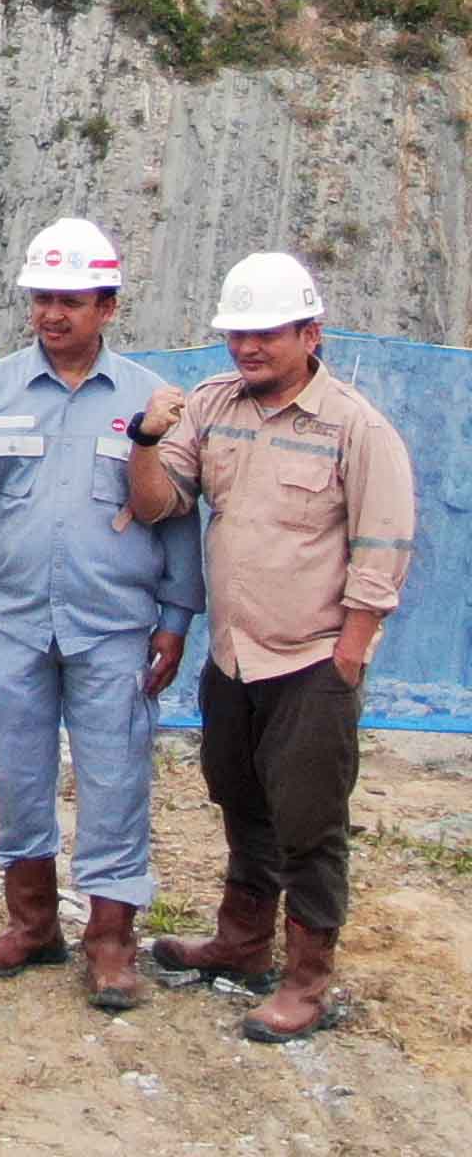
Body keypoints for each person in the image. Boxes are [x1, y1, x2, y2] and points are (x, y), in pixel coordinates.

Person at [128, 250, 421, 1043]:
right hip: (234, 659)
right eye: (237, 335)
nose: (248, 348)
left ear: (311, 332)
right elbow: (161, 504)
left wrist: (350, 654)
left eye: (267, 334)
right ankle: (243, 941)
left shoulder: (356, 427)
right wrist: (145, 441)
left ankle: (306, 980)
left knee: (310, 825)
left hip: (311, 660)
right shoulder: (216, 405)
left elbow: (385, 543)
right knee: (239, 798)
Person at [0, 218, 198, 1009]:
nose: (51, 315)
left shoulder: (149, 399)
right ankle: (32, 924)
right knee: (19, 774)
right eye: (42, 299)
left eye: (70, 301)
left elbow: (177, 520)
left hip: (114, 627)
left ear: (107, 307)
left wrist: (175, 618)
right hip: (12, 622)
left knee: (115, 779)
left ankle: (111, 942)